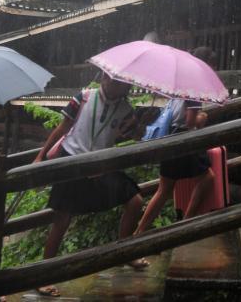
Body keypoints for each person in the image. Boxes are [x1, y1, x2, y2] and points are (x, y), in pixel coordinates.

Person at [33, 73, 144, 297]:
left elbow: (135, 137)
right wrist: (40, 156)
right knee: (62, 220)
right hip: (72, 162)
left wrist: (140, 125)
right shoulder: (83, 98)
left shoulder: (125, 110)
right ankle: (43, 276)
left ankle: (124, 252)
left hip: (101, 166)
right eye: (114, 80)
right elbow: (62, 128)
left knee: (135, 201)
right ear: (104, 78)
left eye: (124, 84)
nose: (118, 85)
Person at [134, 46, 218, 236]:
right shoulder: (195, 86)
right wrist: (202, 117)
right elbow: (190, 121)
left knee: (164, 190)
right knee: (207, 179)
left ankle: (139, 231)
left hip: (170, 136)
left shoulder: (182, 81)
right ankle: (187, 223)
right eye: (212, 66)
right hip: (183, 139)